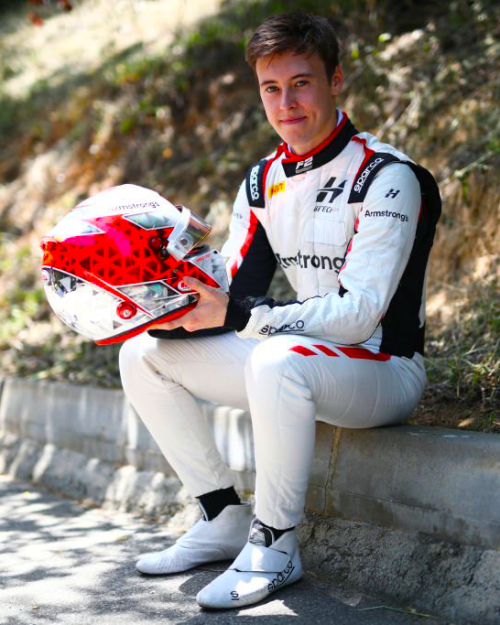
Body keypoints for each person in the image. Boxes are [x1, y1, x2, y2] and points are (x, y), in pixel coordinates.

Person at [119, 12, 441, 610]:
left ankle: (276, 546)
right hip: (295, 356)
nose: (286, 102)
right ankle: (221, 519)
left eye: (302, 83)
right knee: (143, 355)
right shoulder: (264, 180)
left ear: (336, 79)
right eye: (272, 87)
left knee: (274, 362)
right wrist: (168, 284)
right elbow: (237, 293)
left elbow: (358, 316)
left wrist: (245, 317)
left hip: (382, 368)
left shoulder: (390, 178)